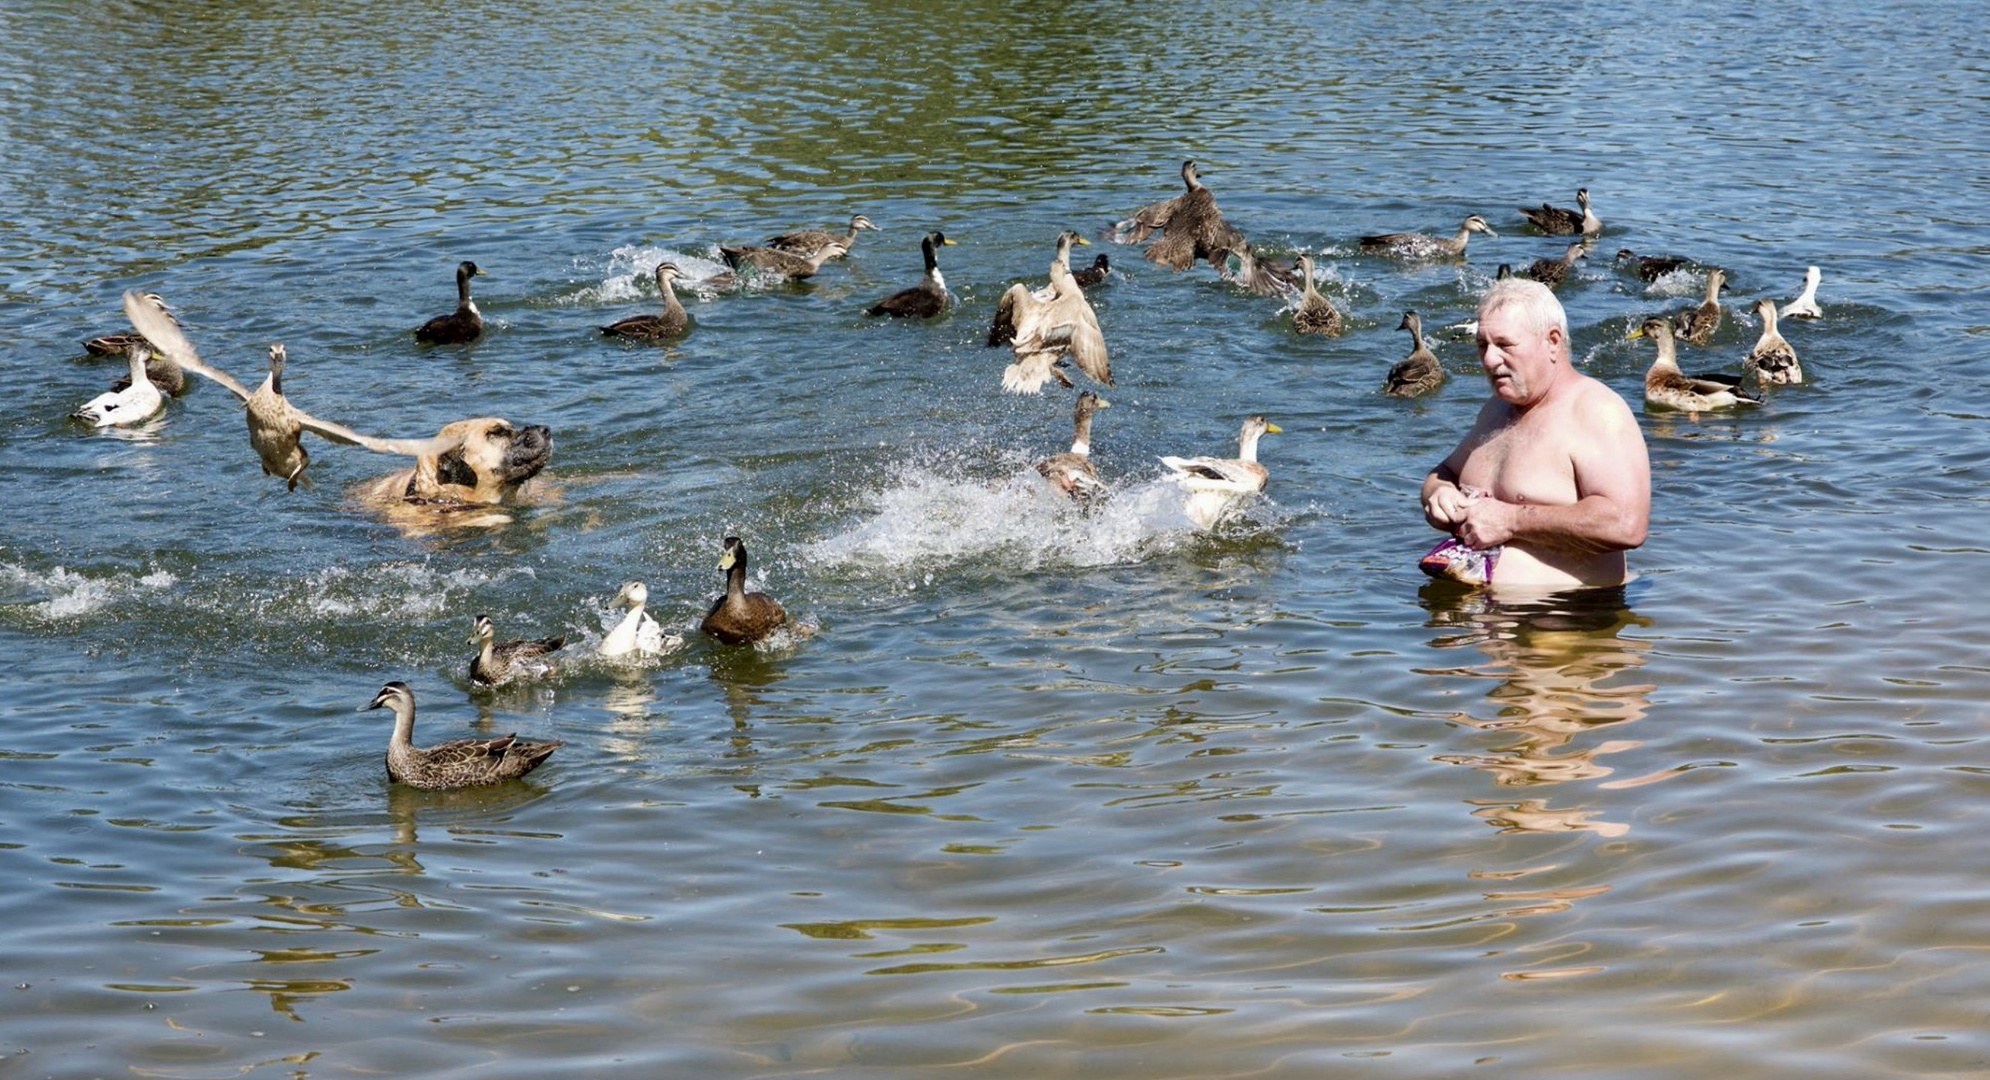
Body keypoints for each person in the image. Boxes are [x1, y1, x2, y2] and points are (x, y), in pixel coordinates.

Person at [1420, 278, 1650, 590]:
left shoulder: (1596, 411)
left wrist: (1510, 521)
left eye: (1504, 344)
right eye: (1482, 345)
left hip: (1569, 620)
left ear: (1552, 341)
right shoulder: (1496, 410)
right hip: (1484, 622)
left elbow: (1626, 525)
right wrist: (1438, 494)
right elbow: (1445, 472)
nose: (1488, 359)